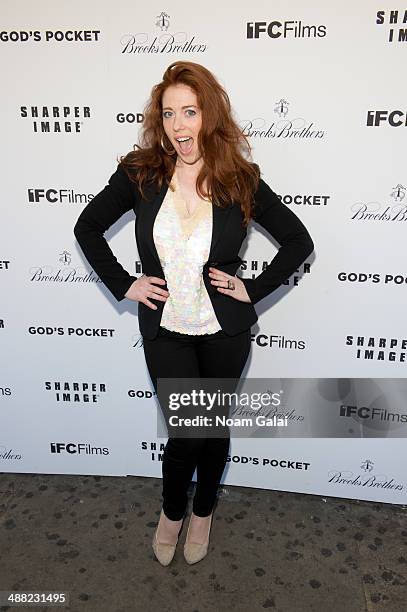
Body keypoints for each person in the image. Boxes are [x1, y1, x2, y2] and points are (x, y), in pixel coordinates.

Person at [73, 60, 314, 567]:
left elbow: (298, 241)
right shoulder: (140, 174)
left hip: (223, 331)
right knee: (187, 432)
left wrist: (254, 289)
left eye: (190, 111)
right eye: (168, 114)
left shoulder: (239, 179)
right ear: (158, 120)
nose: (179, 126)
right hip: (166, 330)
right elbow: (87, 227)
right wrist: (125, 284)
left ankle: (203, 511)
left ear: (210, 114)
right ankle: (171, 514)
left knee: (214, 427)